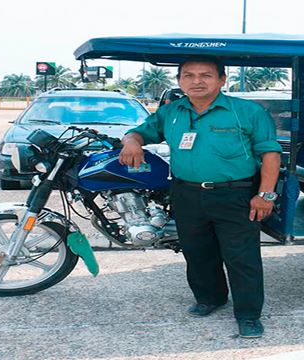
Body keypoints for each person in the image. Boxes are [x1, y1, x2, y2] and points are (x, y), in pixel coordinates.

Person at [118, 56, 282, 338]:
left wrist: (265, 195)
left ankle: (248, 313)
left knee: (241, 257)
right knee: (197, 252)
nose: (197, 81)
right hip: (186, 193)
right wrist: (132, 142)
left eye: (206, 75)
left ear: (222, 80)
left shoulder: (247, 111)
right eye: (188, 75)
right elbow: (139, 132)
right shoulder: (172, 112)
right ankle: (210, 298)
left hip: (237, 194)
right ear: (180, 80)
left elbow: (270, 153)